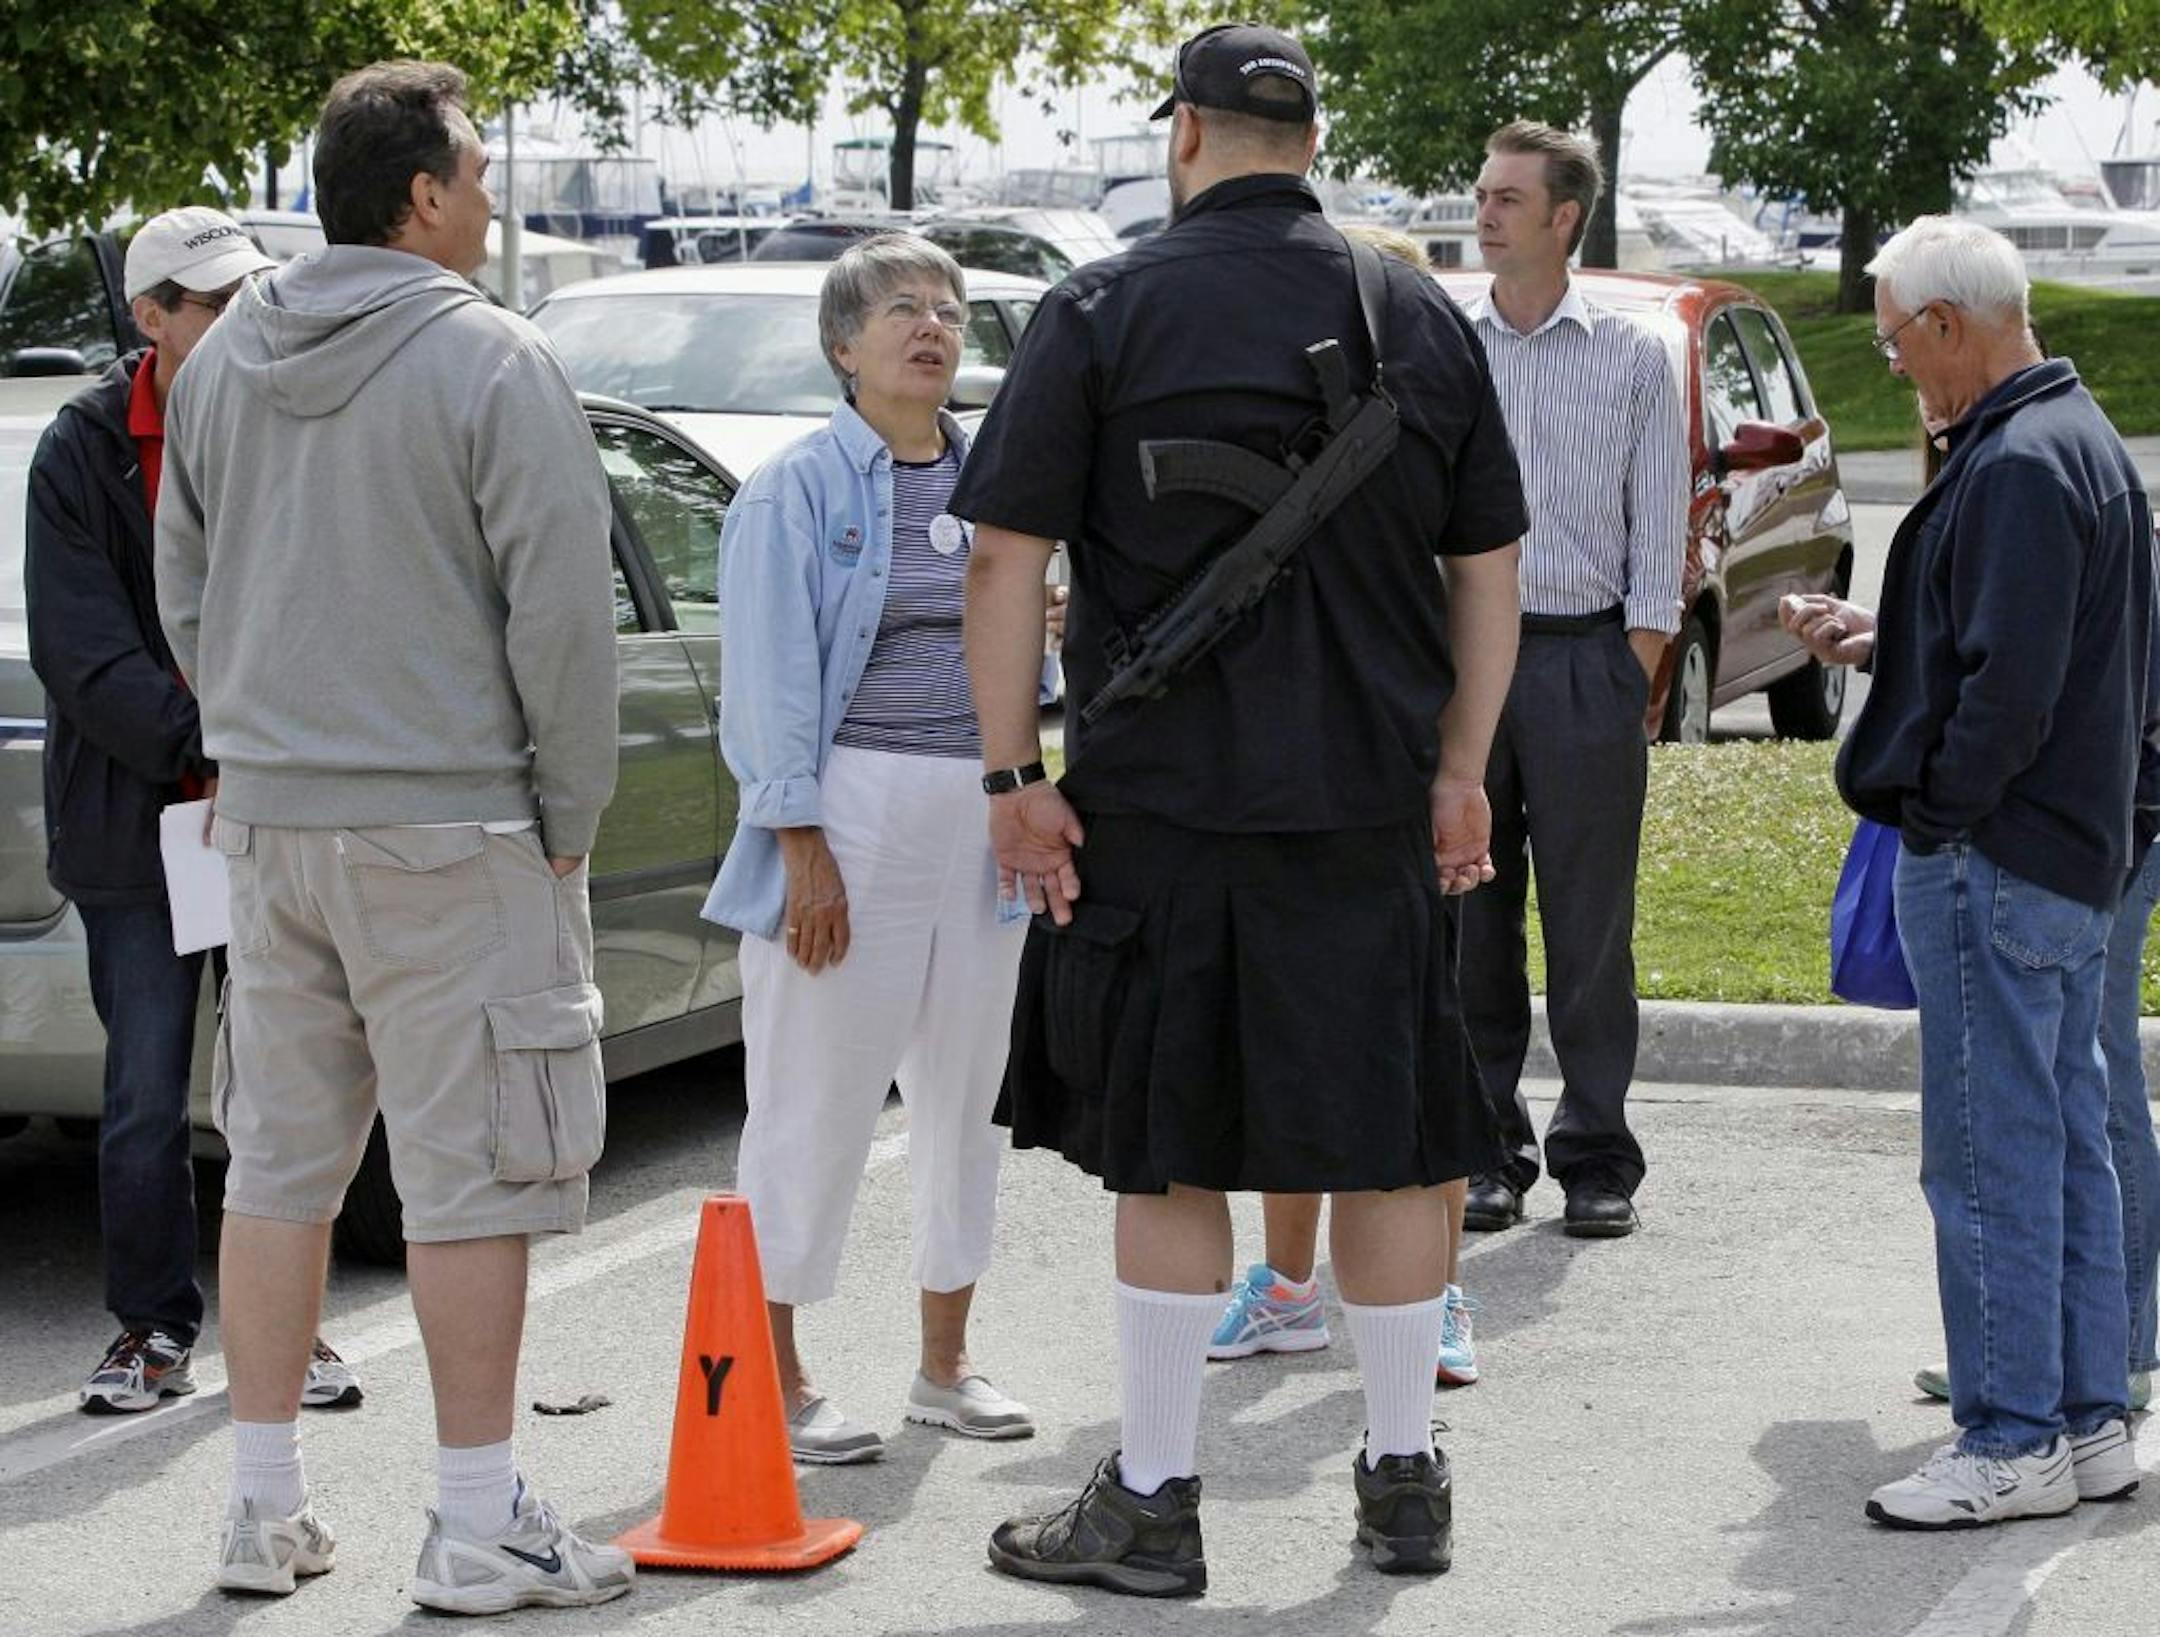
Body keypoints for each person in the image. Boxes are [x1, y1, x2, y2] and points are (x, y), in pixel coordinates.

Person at [957, 23, 1527, 1595]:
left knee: (1170, 1151)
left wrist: (1015, 783)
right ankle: (1404, 1481)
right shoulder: (1417, 310)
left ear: (1186, 136)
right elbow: (1488, 570)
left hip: (1164, 813)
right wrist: (1464, 765)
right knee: (1398, 1149)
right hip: (1366, 810)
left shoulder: (1098, 310)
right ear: (1311, 138)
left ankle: (1153, 1498)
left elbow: (1003, 560)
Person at [156, 62, 631, 1611]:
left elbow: (186, 585)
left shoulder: (222, 361)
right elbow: (562, 619)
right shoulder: (492, 358)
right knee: (476, 1176)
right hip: (451, 816)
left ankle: (259, 1504)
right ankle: (478, 1517)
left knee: (279, 1169)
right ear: (421, 193)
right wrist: (568, 817)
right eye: (479, 175)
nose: (492, 201)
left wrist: (250, 730)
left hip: (273, 821)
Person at [1782, 214, 2155, 1529]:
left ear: (1946, 322)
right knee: (2059, 1140)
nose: (1896, 368)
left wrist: (1936, 810)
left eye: (1893, 343)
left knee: (1990, 1156)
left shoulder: (2014, 461)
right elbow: (2012, 651)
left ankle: (2009, 1438)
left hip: (2000, 853)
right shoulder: (2076, 443)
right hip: (2063, 852)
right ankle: (2088, 1420)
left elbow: (2011, 688)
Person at [702, 233, 1034, 1464]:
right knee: (812, 1095)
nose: (932, 325)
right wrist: (803, 846)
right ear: (843, 346)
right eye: (902, 308)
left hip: (980, 811)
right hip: (847, 808)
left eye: (948, 309)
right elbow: (770, 683)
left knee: (969, 1094)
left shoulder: (998, 478)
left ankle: (945, 1363)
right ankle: (776, 1378)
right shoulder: (792, 490)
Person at [25, 206, 360, 1419]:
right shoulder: (82, 443)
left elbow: (328, 590)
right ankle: (151, 1328)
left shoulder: (288, 414)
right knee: (146, 1092)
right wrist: (215, 740)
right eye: (210, 301)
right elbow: (81, 648)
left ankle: (295, 1329)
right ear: (149, 314)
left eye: (246, 295)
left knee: (291, 1083)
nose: (234, 319)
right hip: (143, 817)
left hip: (279, 803)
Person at [1205, 222, 1482, 1392]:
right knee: (1297, 1042)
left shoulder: (1435, 398)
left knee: (1422, 1052)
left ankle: (1439, 1293)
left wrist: (1462, 765)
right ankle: (1286, 1284)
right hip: (1304, 761)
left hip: (1408, 756)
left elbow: (1482, 584)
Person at [1454, 120, 1688, 1242]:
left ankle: (1597, 1152)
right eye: (1483, 193)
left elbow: (1662, 539)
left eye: (1507, 198)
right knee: (1471, 920)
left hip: (1586, 656)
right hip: (1465, 669)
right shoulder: (1448, 343)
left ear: (1563, 218)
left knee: (1591, 927)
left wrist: (1627, 665)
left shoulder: (1636, 352)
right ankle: (1487, 1148)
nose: (1485, 213)